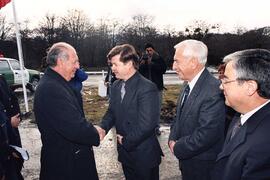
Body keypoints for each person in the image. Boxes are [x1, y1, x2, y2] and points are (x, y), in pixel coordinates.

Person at [34, 42, 104, 180]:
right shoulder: (51, 89)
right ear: (61, 61)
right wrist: (95, 133)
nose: (78, 66)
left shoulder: (57, 83)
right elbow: (74, 127)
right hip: (66, 167)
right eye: (75, 62)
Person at [98, 44, 163, 180]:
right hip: (125, 154)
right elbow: (112, 111)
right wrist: (102, 127)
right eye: (111, 64)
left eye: (115, 64)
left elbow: (147, 124)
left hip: (143, 155)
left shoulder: (147, 88)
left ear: (129, 64)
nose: (112, 68)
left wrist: (126, 141)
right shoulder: (116, 85)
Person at [168, 39, 225, 180]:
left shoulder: (213, 90)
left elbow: (207, 134)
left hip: (203, 167)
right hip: (188, 163)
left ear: (193, 62)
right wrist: (172, 139)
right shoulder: (188, 84)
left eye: (177, 61)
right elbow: (178, 117)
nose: (173, 66)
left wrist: (178, 147)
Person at [212, 49, 270, 179]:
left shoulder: (264, 144)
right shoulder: (241, 113)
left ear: (250, 87)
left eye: (226, 81)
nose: (221, 87)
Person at [139, 43, 167, 135]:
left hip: (157, 88)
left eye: (150, 50)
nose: (149, 52)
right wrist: (143, 64)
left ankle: (156, 127)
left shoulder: (158, 58)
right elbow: (138, 72)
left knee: (157, 108)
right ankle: (147, 128)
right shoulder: (143, 59)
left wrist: (152, 64)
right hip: (145, 89)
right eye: (147, 50)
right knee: (145, 109)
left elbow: (163, 70)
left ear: (154, 50)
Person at [0, 75, 24, 180]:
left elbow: (12, 100)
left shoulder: (1, 79)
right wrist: (9, 123)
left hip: (9, 141)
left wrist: (17, 116)